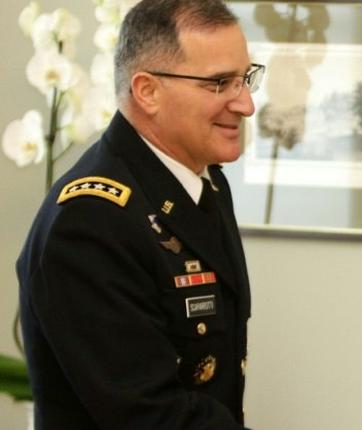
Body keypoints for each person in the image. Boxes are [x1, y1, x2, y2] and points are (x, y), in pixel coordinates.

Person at [16, 0, 262, 428]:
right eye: (220, 83)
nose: (245, 104)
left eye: (246, 79)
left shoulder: (205, 182)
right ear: (147, 91)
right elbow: (148, 414)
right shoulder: (90, 220)